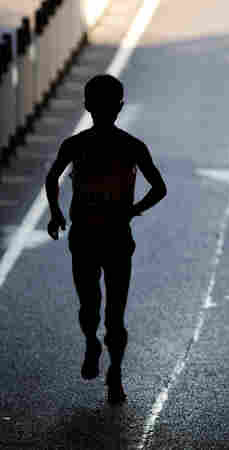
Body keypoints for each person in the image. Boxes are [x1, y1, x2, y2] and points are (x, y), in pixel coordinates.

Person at [45, 74, 167, 404]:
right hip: (106, 236)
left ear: (87, 106)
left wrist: (56, 212)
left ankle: (107, 366)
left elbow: (52, 178)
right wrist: (132, 210)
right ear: (120, 107)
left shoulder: (81, 145)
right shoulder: (130, 146)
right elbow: (159, 189)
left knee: (94, 308)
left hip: (95, 237)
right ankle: (109, 364)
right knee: (112, 313)